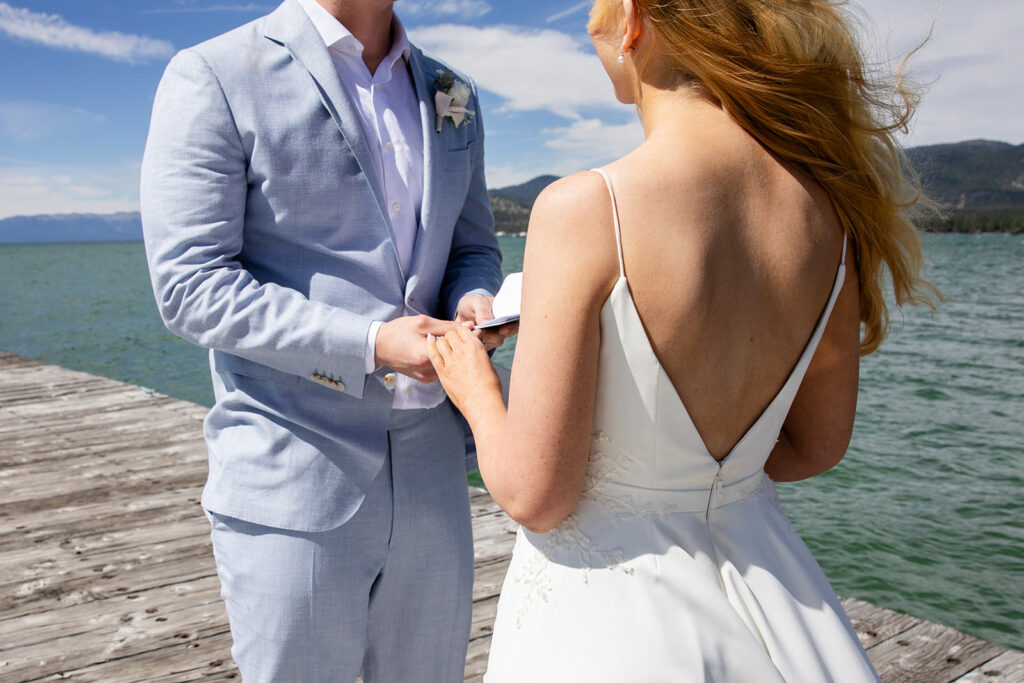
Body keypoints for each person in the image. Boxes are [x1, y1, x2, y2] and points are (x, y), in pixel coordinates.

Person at [429, 0, 938, 680]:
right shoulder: (827, 214)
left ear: (635, 20)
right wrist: (704, 475)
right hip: (771, 599)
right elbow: (816, 444)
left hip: (613, 620)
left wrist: (475, 385)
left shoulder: (584, 207)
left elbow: (536, 493)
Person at [140, 0, 509, 680]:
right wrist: (371, 342)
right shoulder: (213, 75)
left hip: (434, 477)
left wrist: (473, 299)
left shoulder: (454, 93)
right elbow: (190, 286)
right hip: (294, 475)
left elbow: (473, 246)